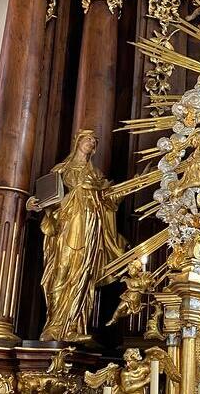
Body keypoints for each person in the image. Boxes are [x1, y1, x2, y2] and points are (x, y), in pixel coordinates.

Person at [27, 130, 127, 342]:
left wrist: (133, 184)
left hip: (89, 230)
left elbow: (110, 199)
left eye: (94, 141)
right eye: (88, 138)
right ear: (77, 141)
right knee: (60, 272)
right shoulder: (61, 170)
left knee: (82, 276)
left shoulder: (96, 175)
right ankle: (54, 325)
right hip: (66, 227)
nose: (91, 142)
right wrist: (32, 203)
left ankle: (73, 326)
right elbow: (45, 196)